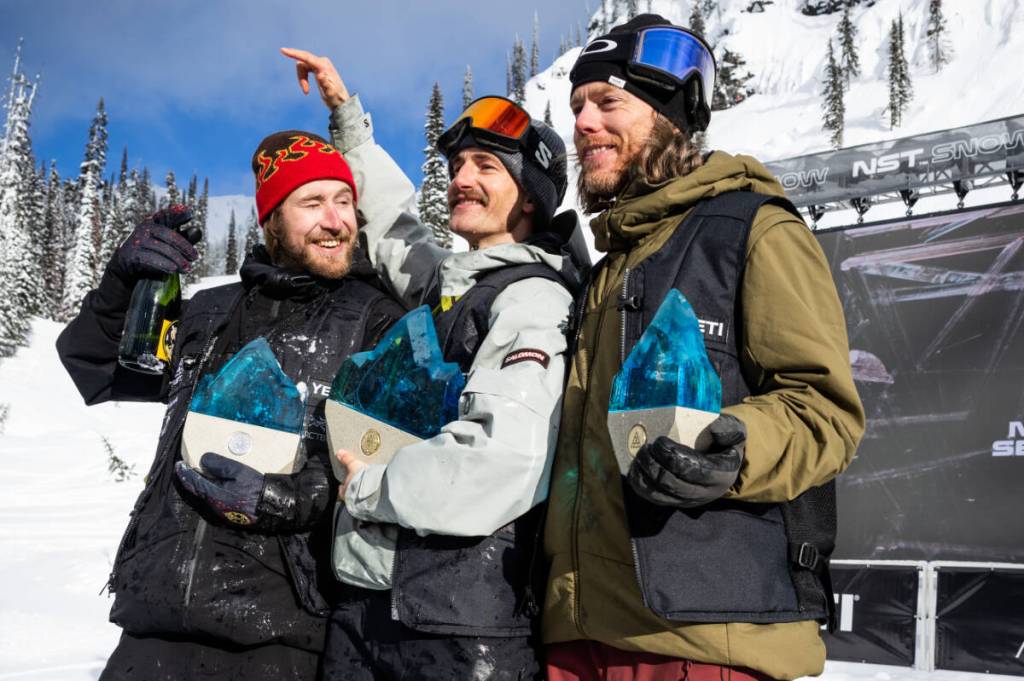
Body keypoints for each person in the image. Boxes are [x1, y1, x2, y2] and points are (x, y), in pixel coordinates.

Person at [541, 15, 866, 681]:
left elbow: (826, 413)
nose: (584, 124)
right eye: (576, 107)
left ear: (670, 116)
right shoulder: (605, 275)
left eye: (608, 102)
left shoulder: (751, 231)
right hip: (577, 638)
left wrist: (732, 441)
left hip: (703, 643)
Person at [281, 48, 589, 680]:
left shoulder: (531, 299)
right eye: (456, 164)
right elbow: (394, 223)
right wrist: (346, 114)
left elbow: (502, 457)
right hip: (381, 607)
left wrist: (366, 488)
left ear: (529, 197)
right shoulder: (451, 286)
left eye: (485, 166)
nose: (460, 178)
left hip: (462, 624)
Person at [56, 131, 405, 680]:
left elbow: (386, 461)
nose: (335, 220)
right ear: (271, 220)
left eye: (344, 202)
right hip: (153, 621)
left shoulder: (375, 320)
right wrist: (121, 283)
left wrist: (286, 498)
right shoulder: (208, 311)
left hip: (284, 631)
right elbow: (94, 366)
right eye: (312, 203)